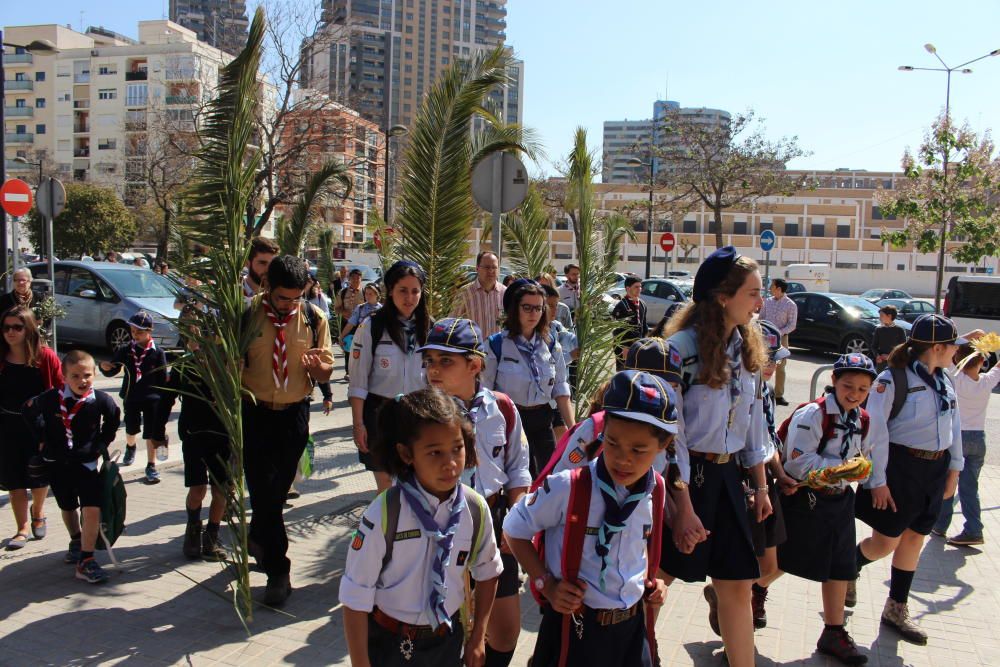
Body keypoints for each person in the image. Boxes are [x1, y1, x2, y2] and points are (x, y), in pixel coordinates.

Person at [503, 370, 674, 667]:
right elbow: (513, 529)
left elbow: (638, 546)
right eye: (613, 442)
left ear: (663, 444)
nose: (623, 459)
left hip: (631, 630)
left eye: (638, 450)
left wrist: (653, 584)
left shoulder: (655, 489)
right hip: (575, 628)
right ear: (602, 429)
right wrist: (545, 583)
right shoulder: (568, 487)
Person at [658, 247, 771, 667]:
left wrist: (760, 486)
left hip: (728, 480)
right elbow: (671, 435)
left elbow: (754, 424)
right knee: (657, 583)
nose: (761, 303)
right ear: (723, 296)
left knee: (738, 587)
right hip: (687, 480)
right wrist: (681, 505)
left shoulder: (746, 349)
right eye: (753, 293)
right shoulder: (680, 349)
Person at [340, 388, 502, 667]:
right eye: (435, 452)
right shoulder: (386, 512)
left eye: (457, 448)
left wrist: (477, 638)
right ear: (406, 454)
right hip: (390, 643)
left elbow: (488, 572)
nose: (450, 463)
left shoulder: (474, 509)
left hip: (447, 641)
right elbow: (355, 597)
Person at [418, 318, 530, 666]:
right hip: (439, 524)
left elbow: (517, 468)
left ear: (475, 364)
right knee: (446, 622)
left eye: (446, 361)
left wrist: (515, 517)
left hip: (494, 521)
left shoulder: (502, 409)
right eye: (430, 361)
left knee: (506, 629)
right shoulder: (418, 414)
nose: (434, 370)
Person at [851, 314, 966, 645]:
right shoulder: (892, 379)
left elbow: (954, 426)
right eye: (952, 347)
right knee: (885, 542)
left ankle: (896, 608)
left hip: (934, 469)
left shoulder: (945, 380)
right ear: (938, 348)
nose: (955, 353)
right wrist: (878, 480)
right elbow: (875, 431)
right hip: (900, 468)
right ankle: (848, 567)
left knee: (915, 538)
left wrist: (954, 470)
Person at [761, 354, 877, 665]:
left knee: (841, 565)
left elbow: (862, 456)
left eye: (862, 389)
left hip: (840, 501)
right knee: (787, 559)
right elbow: (797, 462)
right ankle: (746, 592)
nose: (853, 393)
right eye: (848, 386)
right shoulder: (813, 414)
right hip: (804, 500)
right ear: (834, 381)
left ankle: (833, 632)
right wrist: (842, 469)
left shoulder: (861, 419)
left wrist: (862, 472)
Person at [242, 255, 334, 606]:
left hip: (294, 414)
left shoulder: (314, 317)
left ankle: (258, 534)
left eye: (297, 298)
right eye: (283, 298)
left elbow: (325, 371)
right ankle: (278, 571)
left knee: (276, 494)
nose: (290, 305)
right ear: (267, 287)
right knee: (264, 492)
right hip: (255, 412)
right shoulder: (247, 316)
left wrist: (320, 368)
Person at [24, 350, 121, 583]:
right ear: (65, 377)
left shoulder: (100, 400)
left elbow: (114, 417)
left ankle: (86, 560)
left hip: (86, 464)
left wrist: (101, 443)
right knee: (67, 506)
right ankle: (76, 539)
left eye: (87, 375)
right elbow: (27, 410)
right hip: (57, 463)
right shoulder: (49, 398)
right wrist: (41, 436)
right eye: (75, 376)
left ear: (95, 374)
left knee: (92, 509)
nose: (82, 381)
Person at [349, 261, 431, 493]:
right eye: (402, 290)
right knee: (386, 488)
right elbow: (358, 381)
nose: (409, 297)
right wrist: (358, 424)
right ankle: (387, 529)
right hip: (380, 416)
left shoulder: (430, 329)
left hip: (418, 416)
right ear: (390, 291)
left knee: (416, 485)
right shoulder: (372, 326)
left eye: (415, 291)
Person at [484, 279, 574, 477]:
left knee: (546, 476)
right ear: (515, 309)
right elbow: (485, 392)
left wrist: (573, 428)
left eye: (538, 308)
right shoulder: (496, 345)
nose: (533, 313)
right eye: (527, 307)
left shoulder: (551, 346)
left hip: (542, 419)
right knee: (518, 478)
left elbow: (560, 389)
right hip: (510, 421)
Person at [0, 307, 63, 551]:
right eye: (6, 327)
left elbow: (59, 391)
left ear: (29, 328)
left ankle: (38, 511)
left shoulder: (44, 357)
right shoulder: (2, 358)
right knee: (14, 479)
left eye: (17, 327)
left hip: (37, 427)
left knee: (37, 476)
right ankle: (22, 528)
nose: (11, 332)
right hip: (7, 427)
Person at [743, 320, 792, 631]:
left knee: (773, 564)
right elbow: (749, 446)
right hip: (746, 482)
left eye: (776, 358)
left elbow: (768, 440)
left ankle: (739, 600)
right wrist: (761, 485)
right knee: (751, 563)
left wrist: (780, 475)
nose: (773, 364)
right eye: (768, 357)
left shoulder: (767, 391)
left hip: (765, 480)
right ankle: (736, 610)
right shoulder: (742, 388)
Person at [932, 344, 1000, 546]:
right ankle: (974, 529)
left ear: (957, 360)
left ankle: (941, 525)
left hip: (957, 437)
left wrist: (972, 339)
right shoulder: (987, 381)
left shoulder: (954, 378)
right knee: (970, 487)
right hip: (979, 438)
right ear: (981, 362)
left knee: (948, 483)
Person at [175, 318, 230, 562]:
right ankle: (192, 530)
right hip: (194, 435)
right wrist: (157, 433)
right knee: (197, 489)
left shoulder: (230, 365)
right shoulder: (184, 366)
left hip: (222, 436)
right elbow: (166, 397)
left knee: (222, 491)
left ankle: (212, 536)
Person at [99, 311, 169, 485]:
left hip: (152, 398)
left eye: (139, 332)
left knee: (151, 432)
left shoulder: (157, 352)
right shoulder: (126, 350)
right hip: (132, 396)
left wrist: (164, 397)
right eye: (132, 331)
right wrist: (105, 368)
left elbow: (162, 377)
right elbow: (113, 369)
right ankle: (131, 446)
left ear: (149, 332)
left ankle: (151, 465)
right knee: (131, 428)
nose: (135, 335)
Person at [759, 278, 797, 406]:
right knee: (761, 363)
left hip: (781, 338)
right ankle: (760, 388)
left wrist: (777, 332)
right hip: (765, 338)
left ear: (779, 289)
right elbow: (761, 318)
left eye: (772, 286)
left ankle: (779, 395)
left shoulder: (790, 305)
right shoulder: (767, 302)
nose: (770, 289)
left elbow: (792, 325)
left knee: (780, 367)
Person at [453, 251, 506, 339]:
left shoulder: (505, 293)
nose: (491, 271)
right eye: (487, 267)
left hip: (499, 350)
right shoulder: (464, 293)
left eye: (494, 267)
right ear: (477, 268)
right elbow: (452, 323)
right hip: (474, 349)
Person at [611, 276, 648, 371]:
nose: (639, 289)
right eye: (636, 287)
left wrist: (644, 343)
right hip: (624, 348)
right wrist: (624, 347)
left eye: (640, 286)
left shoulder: (642, 304)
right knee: (624, 375)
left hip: (638, 346)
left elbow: (644, 326)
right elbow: (617, 330)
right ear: (628, 288)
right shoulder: (621, 305)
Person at [242, 236, 279, 303]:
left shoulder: (278, 296)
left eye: (272, 263)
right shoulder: (231, 294)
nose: (268, 269)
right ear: (247, 263)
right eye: (262, 263)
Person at [872, 305, 907, 373]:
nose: (880, 318)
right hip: (881, 364)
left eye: (882, 315)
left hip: (895, 363)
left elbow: (903, 348)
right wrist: (877, 355)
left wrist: (889, 356)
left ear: (889, 316)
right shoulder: (879, 329)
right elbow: (874, 346)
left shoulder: (899, 330)